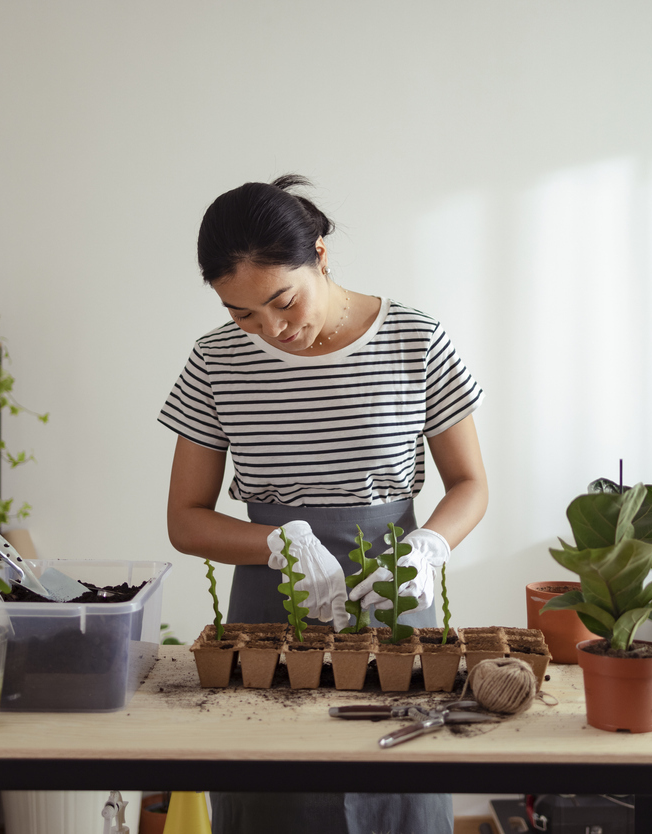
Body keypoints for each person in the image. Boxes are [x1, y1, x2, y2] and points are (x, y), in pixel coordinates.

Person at [159, 175, 488, 834]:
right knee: (274, 797)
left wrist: (429, 547)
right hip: (269, 614)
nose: (270, 329)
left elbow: (469, 485)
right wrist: (276, 544)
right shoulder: (215, 361)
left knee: (398, 793)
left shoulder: (413, 339)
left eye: (282, 300)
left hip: (394, 601)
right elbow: (185, 519)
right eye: (241, 313)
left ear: (319, 254)